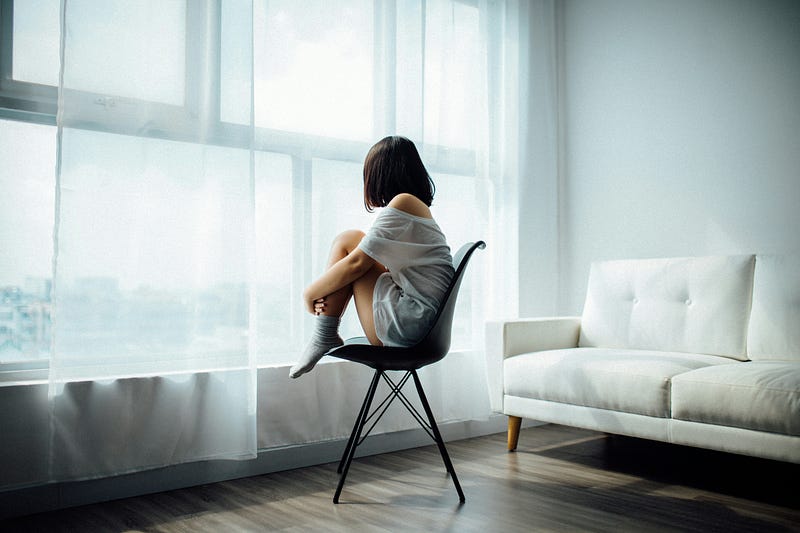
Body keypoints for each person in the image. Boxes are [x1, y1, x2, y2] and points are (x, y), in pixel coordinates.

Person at [289, 136, 454, 378]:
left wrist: (309, 293)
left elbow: (357, 264)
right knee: (353, 240)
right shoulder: (415, 208)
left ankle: (323, 334)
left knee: (348, 242)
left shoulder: (404, 202)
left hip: (410, 327)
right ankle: (324, 334)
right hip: (421, 326)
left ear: (380, 174)